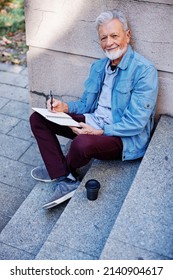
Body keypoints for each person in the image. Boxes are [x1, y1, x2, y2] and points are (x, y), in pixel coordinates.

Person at [30, 9, 158, 209]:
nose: (109, 43)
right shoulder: (99, 66)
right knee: (38, 119)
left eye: (114, 35)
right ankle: (64, 175)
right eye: (103, 38)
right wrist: (64, 107)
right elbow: (85, 106)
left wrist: (100, 131)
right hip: (93, 122)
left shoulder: (144, 71)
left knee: (81, 144)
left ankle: (60, 172)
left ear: (128, 35)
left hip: (121, 136)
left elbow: (136, 123)